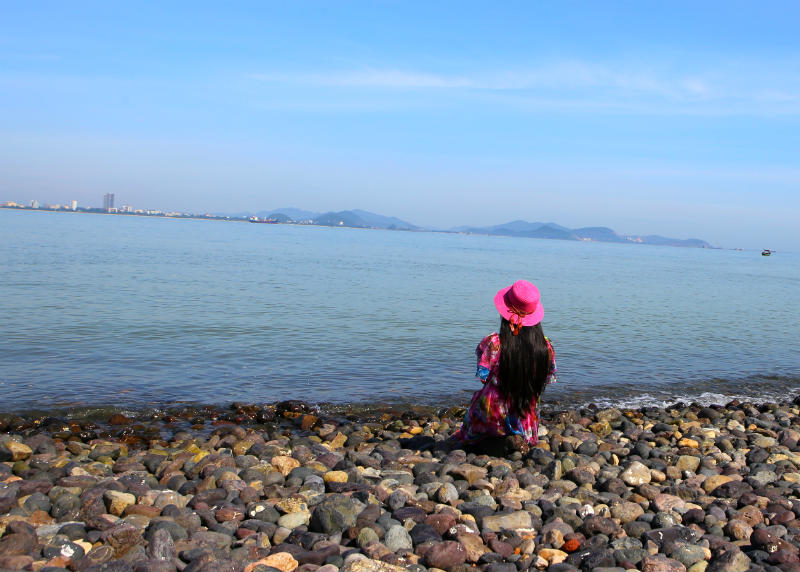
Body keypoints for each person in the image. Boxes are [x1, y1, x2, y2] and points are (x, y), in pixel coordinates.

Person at [453, 279, 557, 453]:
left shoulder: (494, 343)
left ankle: (485, 438)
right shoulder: (545, 347)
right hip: (525, 416)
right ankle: (517, 436)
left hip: (491, 415)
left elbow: (484, 377)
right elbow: (546, 380)